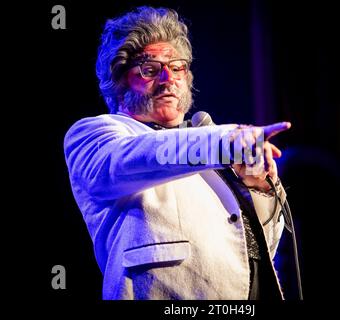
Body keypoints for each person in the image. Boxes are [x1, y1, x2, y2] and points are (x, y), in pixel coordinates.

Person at [64, 6, 292, 300]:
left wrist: (258, 187)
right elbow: (136, 158)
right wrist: (226, 141)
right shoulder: (95, 134)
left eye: (177, 67)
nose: (167, 78)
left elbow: (260, 248)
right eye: (150, 69)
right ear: (119, 82)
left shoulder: (206, 145)